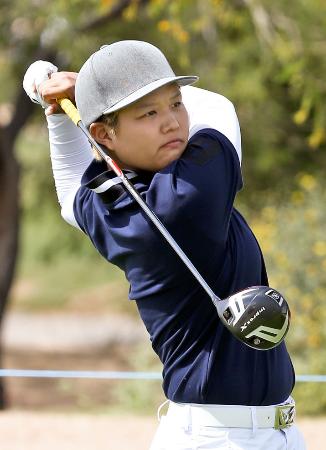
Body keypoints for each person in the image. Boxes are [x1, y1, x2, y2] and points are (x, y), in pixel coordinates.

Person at [23, 40, 306, 449]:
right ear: (104, 133)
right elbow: (220, 108)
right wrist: (86, 85)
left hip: (243, 431)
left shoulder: (111, 206)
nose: (172, 122)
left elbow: (69, 196)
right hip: (222, 438)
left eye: (175, 104)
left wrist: (55, 109)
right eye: (149, 113)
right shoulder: (189, 195)